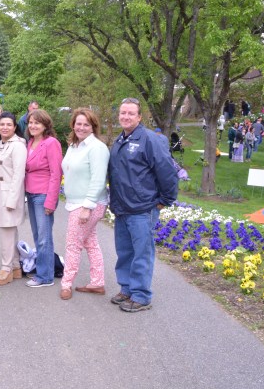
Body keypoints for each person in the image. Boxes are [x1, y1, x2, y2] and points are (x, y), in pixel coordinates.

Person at [108, 97, 178, 312]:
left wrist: (164, 201)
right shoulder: (119, 140)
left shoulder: (149, 140)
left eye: (130, 113)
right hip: (122, 209)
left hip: (142, 209)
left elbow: (167, 172)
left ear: (139, 117)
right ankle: (127, 288)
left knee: (142, 253)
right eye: (123, 113)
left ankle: (141, 295)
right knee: (125, 252)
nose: (125, 116)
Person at [59, 108, 110, 300]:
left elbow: (98, 179)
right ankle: (97, 282)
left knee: (73, 244)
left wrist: (87, 207)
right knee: (90, 242)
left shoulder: (97, 148)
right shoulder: (75, 146)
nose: (81, 127)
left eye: (86, 124)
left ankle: (66, 284)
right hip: (75, 203)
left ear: (93, 127)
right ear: (73, 125)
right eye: (78, 123)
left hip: (88, 204)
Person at [23, 109, 63, 288]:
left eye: (37, 123)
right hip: (31, 194)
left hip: (44, 195)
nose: (32, 126)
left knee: (44, 237)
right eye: (30, 122)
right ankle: (43, 269)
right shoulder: (30, 142)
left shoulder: (51, 143)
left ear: (46, 125)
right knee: (38, 235)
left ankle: (45, 276)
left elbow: (56, 173)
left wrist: (51, 201)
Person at [0, 112, 27, 286]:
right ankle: (15, 266)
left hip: (10, 194)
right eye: (2, 124)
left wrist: (12, 200)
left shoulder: (18, 146)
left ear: (15, 127)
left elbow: (19, 175)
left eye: (8, 124)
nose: (4, 127)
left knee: (7, 231)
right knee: (10, 230)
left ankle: (6, 268)